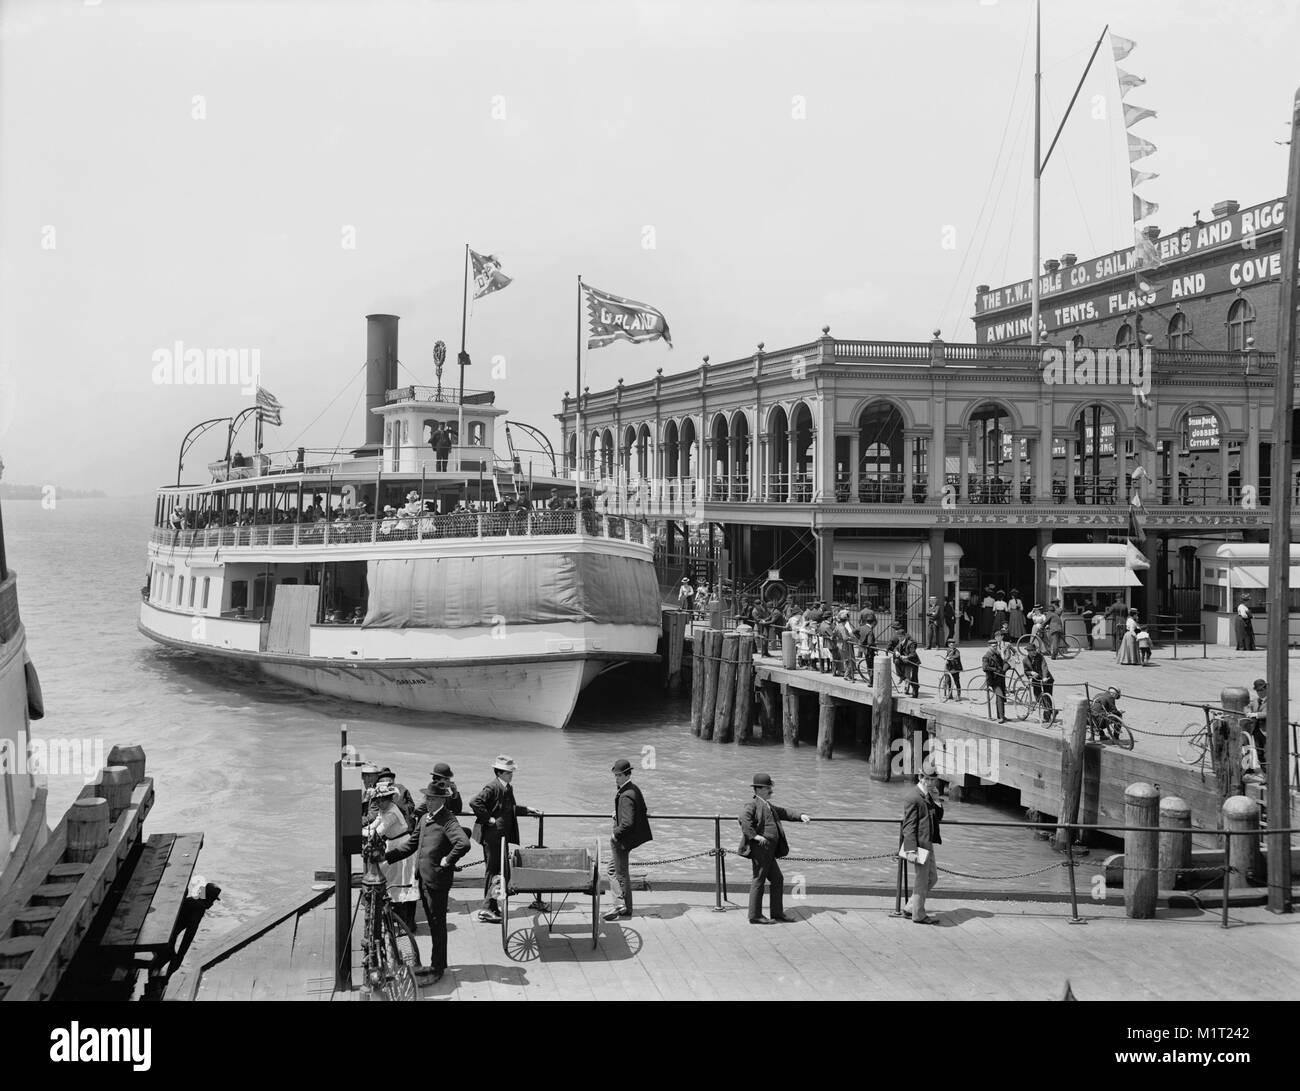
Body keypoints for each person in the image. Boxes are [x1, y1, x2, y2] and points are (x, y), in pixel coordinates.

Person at [385, 776, 470, 984]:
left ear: (442, 800)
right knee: (433, 923)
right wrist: (386, 857)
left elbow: (464, 843)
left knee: (437, 925)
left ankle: (438, 967)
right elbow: (411, 845)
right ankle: (434, 963)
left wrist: (448, 860)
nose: (428, 801)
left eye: (432, 798)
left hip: (437, 882)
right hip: (422, 879)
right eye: (427, 797)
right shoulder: (425, 818)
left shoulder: (448, 820)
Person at [469, 756, 544, 923]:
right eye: (509, 772)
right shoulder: (492, 787)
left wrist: (528, 810)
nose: (512, 775)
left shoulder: (506, 787)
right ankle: (487, 908)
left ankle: (492, 906)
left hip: (501, 837)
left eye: (512, 772)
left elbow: (510, 809)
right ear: (500, 772)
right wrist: (488, 819)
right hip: (493, 837)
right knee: (493, 870)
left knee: (499, 871)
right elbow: (474, 802)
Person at [738, 773, 810, 924]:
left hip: (769, 850)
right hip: (761, 849)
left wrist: (800, 815)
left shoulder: (768, 805)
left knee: (777, 879)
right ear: (759, 789)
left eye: (770, 787)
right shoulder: (752, 805)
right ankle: (755, 915)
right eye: (768, 787)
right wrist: (755, 836)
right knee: (759, 880)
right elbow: (744, 820)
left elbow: (784, 812)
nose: (771, 790)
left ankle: (777, 913)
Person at [604, 759, 652, 921]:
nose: (616, 778)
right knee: (616, 870)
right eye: (615, 775)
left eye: (618, 775)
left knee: (618, 873)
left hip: (621, 841)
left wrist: (615, 834)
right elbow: (643, 810)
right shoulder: (633, 789)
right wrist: (617, 814)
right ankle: (625, 907)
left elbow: (628, 823)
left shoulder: (626, 795)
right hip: (629, 839)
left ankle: (620, 905)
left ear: (626, 775)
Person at [899, 770, 943, 925]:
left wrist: (937, 800)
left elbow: (938, 817)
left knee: (932, 878)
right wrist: (911, 850)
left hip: (928, 843)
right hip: (919, 846)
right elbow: (909, 826)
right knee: (922, 881)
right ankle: (918, 915)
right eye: (927, 779)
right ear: (920, 777)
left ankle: (910, 907)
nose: (930, 782)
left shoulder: (929, 795)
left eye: (933, 779)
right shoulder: (913, 797)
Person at [1021, 643, 1055, 719]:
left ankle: (1047, 717)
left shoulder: (1040, 657)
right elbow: (1026, 671)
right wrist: (1031, 672)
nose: (1034, 652)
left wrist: (1045, 677)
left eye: (1034, 650)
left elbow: (1044, 666)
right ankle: (1051, 711)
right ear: (1028, 651)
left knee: (1047, 696)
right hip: (1036, 679)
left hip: (1046, 678)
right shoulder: (1025, 660)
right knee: (1038, 696)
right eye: (1032, 650)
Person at [982, 638, 1007, 723]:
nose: (995, 647)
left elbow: (1002, 663)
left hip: (1000, 679)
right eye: (993, 646)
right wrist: (995, 669)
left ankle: (1002, 715)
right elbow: (985, 668)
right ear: (989, 646)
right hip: (993, 680)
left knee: (1002, 697)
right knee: (1000, 696)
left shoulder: (997, 654)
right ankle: (1000, 717)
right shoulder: (986, 656)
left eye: (996, 646)